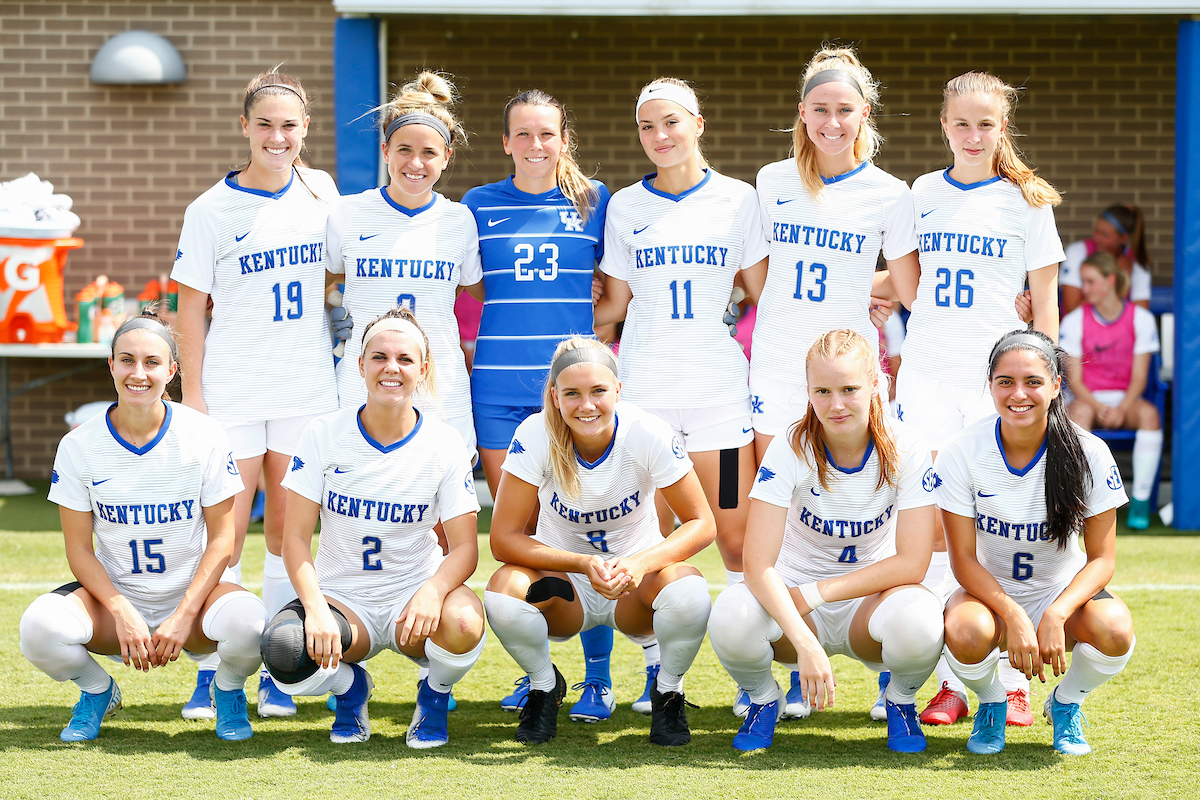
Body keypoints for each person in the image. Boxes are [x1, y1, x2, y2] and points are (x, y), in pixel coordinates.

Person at [886, 71, 1065, 727]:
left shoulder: (1028, 200)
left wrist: (1042, 389)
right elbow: (910, 291)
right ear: (943, 126)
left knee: (1000, 528)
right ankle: (952, 681)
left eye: (984, 124)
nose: (971, 134)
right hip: (929, 379)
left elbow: (1044, 308)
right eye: (960, 123)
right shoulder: (920, 194)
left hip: (1000, 385)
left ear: (1001, 129)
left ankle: (1013, 683)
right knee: (933, 532)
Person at [171, 71, 340, 719]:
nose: (278, 136)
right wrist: (194, 399)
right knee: (225, 533)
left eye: (289, 125)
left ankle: (277, 665)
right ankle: (215, 670)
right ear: (244, 127)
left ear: (306, 129)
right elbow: (190, 312)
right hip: (232, 391)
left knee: (288, 536)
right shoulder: (210, 209)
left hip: (304, 387)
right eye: (265, 124)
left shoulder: (321, 189)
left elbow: (339, 265)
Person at [19, 312, 264, 742]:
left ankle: (225, 691)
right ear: (110, 365)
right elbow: (79, 550)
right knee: (39, 630)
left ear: (171, 371)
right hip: (117, 602)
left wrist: (185, 612)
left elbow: (224, 538)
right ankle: (98, 692)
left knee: (252, 625)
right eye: (127, 360)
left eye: (152, 362)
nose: (138, 373)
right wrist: (121, 610)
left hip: (195, 602)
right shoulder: (78, 445)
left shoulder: (203, 435)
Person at [460, 90, 624, 722]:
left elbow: (613, 293)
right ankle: (539, 675)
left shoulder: (594, 202)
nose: (535, 146)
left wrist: (583, 330)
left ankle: (601, 677)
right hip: (499, 394)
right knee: (523, 537)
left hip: (574, 396)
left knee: (585, 524)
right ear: (505, 143)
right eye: (522, 135)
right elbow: (475, 286)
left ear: (563, 138)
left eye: (546, 134)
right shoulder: (478, 205)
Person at [708, 329, 942, 753]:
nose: (836, 405)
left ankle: (900, 699)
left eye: (850, 389)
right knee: (730, 614)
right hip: (794, 596)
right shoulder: (790, 446)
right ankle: (764, 699)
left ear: (875, 384)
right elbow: (756, 563)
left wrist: (815, 594)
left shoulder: (908, 445)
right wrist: (804, 643)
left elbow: (912, 564)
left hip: (867, 601)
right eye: (823, 391)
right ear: (809, 392)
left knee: (923, 620)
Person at [259, 308, 485, 747]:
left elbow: (465, 550)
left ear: (423, 369)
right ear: (360, 366)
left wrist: (432, 592)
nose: (391, 368)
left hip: (413, 598)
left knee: (464, 622)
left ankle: (434, 695)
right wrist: (317, 608)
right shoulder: (324, 433)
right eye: (379, 356)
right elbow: (295, 541)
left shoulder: (444, 442)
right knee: (283, 651)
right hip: (344, 600)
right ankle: (351, 689)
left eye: (404, 358)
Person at [483, 337, 715, 746]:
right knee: (503, 594)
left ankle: (668, 691)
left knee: (691, 593)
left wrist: (639, 564)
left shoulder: (647, 431)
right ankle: (542, 687)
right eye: (571, 393)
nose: (586, 405)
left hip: (635, 587)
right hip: (566, 587)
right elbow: (502, 540)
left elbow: (702, 523)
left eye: (598, 391)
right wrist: (584, 564)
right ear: (554, 396)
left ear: (618, 390)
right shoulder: (535, 434)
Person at [595, 77, 767, 593]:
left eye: (671, 122)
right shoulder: (625, 206)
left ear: (697, 124)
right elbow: (614, 307)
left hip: (719, 397)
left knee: (738, 544)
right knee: (648, 545)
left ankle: (750, 672)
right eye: (647, 126)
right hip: (646, 394)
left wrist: (871, 290)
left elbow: (767, 293)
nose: (659, 135)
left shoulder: (740, 200)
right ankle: (660, 672)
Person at [937, 330, 1136, 755]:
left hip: (1062, 592)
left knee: (1116, 630)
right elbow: (962, 561)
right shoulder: (961, 451)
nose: (1018, 394)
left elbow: (1102, 560)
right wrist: (1011, 612)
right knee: (966, 631)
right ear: (989, 385)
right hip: (990, 593)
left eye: (1032, 381)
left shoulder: (1090, 452)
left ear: (1056, 385)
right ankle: (992, 702)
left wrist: (1057, 612)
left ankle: (1066, 703)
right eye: (1005, 382)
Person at [751, 47, 918, 464]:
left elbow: (908, 285)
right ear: (802, 111)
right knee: (776, 503)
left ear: (864, 113)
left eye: (844, 109)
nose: (832, 122)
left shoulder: (890, 193)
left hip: (849, 367)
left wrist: (859, 291)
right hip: (777, 360)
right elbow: (768, 272)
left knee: (854, 498)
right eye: (820, 109)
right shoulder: (771, 181)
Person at [328, 70, 481, 454]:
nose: (416, 163)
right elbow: (325, 283)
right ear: (385, 151)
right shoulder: (348, 213)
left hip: (440, 381)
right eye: (404, 150)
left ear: (446, 157)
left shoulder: (460, 220)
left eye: (429, 152)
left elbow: (477, 290)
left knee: (446, 505)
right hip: (364, 379)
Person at [1061, 251, 1162, 529]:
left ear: (1111, 281)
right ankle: (1078, 503)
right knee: (1076, 418)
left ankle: (1139, 505)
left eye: (1091, 281)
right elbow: (1076, 380)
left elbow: (1140, 376)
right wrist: (1101, 407)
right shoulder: (1073, 321)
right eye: (1083, 281)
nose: (1085, 289)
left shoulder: (1140, 318)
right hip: (1087, 398)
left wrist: (1121, 408)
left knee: (1150, 416)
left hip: (1125, 398)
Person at [1058, 205, 1153, 315]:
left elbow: (1140, 315)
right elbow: (1072, 309)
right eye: (1096, 230)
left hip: (1119, 330)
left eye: (1105, 235)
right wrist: (1118, 284)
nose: (1097, 238)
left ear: (1123, 238)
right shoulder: (1077, 252)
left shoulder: (1136, 262)